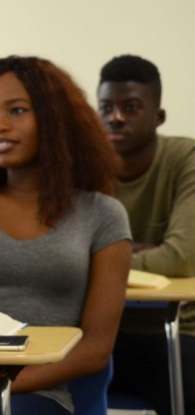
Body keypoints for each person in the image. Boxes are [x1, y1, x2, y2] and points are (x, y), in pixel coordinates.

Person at [0, 56, 132, 414]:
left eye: (16, 111)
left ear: (55, 118)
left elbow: (95, 350)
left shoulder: (102, 215)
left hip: (38, 393)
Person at [97, 54, 195, 415]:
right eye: (106, 108)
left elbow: (180, 258)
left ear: (159, 116)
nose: (116, 117)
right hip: (98, 328)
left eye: (131, 108)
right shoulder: (84, 168)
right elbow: (62, 257)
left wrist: (104, 258)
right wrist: (141, 251)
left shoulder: (185, 159)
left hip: (173, 331)